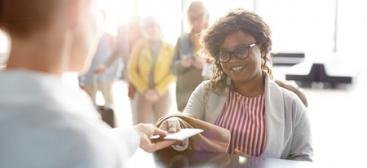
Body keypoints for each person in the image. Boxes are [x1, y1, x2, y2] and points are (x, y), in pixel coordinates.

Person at [0, 0, 174, 168]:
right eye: (97, 8)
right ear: (75, 8)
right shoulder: (83, 142)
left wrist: (133, 135)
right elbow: (84, 147)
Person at [162, 9, 313, 161]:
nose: (233, 60)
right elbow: (186, 124)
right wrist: (174, 122)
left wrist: (258, 164)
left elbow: (303, 160)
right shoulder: (206, 92)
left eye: (241, 50)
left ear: (261, 48)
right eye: (225, 53)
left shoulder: (292, 105)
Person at [127, 17, 175, 124]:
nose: (153, 29)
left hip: (162, 93)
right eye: (149, 26)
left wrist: (158, 90)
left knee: (162, 127)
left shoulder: (170, 47)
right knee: (142, 127)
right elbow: (131, 70)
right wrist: (144, 90)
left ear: (161, 28)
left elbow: (174, 73)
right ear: (144, 29)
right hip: (143, 93)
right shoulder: (139, 45)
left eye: (155, 26)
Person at [171, 0, 209, 111]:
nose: (195, 21)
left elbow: (223, 68)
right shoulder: (182, 39)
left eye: (199, 16)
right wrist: (182, 64)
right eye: (192, 18)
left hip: (208, 97)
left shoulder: (215, 39)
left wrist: (205, 67)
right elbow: (172, 69)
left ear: (206, 15)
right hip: (185, 99)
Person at [79, 32, 123, 107]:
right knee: (88, 106)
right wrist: (80, 79)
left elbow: (117, 55)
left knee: (109, 106)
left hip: (106, 78)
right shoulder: (84, 35)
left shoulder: (109, 36)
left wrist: (115, 75)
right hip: (87, 78)